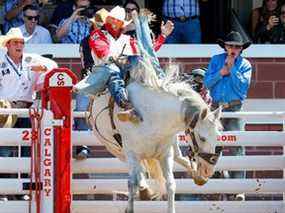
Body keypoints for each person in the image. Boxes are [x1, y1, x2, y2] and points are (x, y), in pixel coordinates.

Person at [74, 6, 170, 123]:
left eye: (117, 21)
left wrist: (162, 36)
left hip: (123, 69)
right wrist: (120, 58)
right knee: (112, 70)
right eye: (111, 21)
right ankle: (126, 105)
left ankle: (161, 89)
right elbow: (103, 52)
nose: (114, 24)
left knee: (141, 60)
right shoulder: (97, 35)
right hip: (103, 71)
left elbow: (147, 51)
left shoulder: (126, 39)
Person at [0, 27, 57, 201]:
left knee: (26, 152)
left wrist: (43, 71)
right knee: (5, 151)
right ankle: (3, 190)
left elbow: (53, 66)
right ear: (7, 45)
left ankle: (21, 190)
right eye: (15, 43)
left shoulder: (32, 60)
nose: (19, 46)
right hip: (5, 110)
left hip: (25, 110)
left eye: (22, 43)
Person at [204, 31, 252, 201]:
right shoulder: (216, 60)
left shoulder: (245, 64)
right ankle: (217, 186)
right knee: (213, 147)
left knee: (237, 147)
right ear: (225, 46)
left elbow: (242, 89)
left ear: (241, 49)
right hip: (216, 109)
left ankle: (237, 188)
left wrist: (231, 70)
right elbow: (207, 83)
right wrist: (221, 72)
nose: (233, 49)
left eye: (237, 46)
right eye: (230, 45)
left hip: (234, 108)